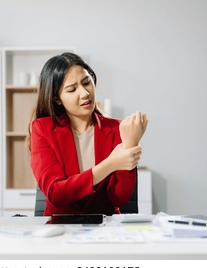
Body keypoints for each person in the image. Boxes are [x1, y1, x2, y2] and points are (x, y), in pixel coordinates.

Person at [28, 52, 148, 216]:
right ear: (57, 99)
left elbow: (119, 199)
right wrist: (111, 164)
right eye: (72, 89)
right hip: (61, 227)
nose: (84, 93)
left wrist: (130, 145)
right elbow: (56, 193)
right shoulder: (42, 129)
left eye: (86, 82)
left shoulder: (117, 129)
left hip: (106, 228)